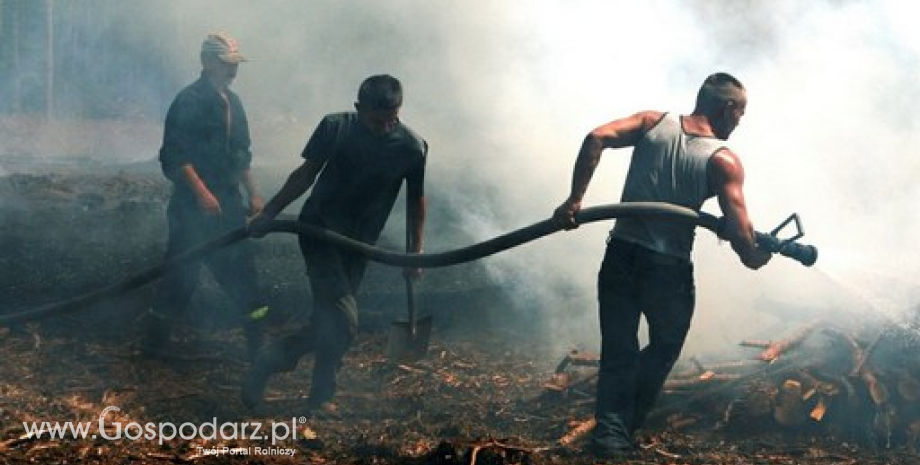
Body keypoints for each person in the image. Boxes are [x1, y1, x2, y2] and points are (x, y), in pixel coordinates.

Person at [552, 72, 772, 458]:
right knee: (665, 346)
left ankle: (611, 434)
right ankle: (617, 433)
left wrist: (574, 200)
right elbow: (741, 234)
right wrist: (755, 256)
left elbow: (596, 137)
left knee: (619, 349)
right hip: (666, 269)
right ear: (728, 107)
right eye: (741, 113)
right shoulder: (723, 160)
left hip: (620, 254)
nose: (741, 121)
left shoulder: (652, 122)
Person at [243, 74, 427, 412]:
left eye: (393, 119)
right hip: (320, 232)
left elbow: (416, 200)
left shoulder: (412, 147)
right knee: (343, 319)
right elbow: (305, 175)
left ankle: (276, 365)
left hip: (359, 244)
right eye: (378, 121)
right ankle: (317, 390)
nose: (387, 127)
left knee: (329, 320)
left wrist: (415, 253)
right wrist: (269, 212)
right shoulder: (335, 128)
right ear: (359, 109)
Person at [144, 32, 269, 361]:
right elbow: (174, 156)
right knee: (180, 278)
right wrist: (201, 193)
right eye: (226, 64)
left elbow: (241, 155)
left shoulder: (234, 102)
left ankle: (260, 349)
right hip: (191, 207)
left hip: (226, 204)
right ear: (207, 62)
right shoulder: (188, 101)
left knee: (243, 273)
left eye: (235, 64)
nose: (232, 71)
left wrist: (254, 194)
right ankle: (151, 351)